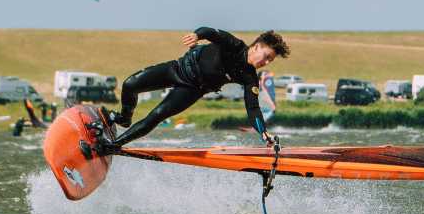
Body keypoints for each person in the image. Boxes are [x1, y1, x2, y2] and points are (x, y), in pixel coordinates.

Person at [96, 27, 290, 154]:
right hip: (177, 69)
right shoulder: (234, 45)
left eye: (270, 60)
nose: (266, 62)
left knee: (156, 115)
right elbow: (212, 32)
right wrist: (197, 35)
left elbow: (253, 107)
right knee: (130, 84)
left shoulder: (249, 77)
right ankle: (123, 118)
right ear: (257, 46)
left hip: (192, 89)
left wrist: (263, 133)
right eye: (266, 56)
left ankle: (113, 146)